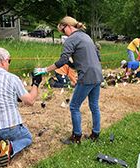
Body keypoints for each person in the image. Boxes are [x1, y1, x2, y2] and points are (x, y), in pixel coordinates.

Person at [34, 16, 103, 145]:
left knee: (74, 106)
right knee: (94, 106)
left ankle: (76, 137)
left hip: (86, 77)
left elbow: (63, 60)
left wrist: (45, 69)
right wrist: (74, 64)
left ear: (68, 26)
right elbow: (97, 57)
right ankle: (95, 134)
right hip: (98, 75)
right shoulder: (86, 36)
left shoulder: (71, 39)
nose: (63, 34)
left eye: (63, 30)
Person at [0, 47, 42, 168]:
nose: (9, 64)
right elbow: (30, 101)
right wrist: (35, 83)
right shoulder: (12, 78)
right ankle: (10, 148)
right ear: (3, 61)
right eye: (9, 61)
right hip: (10, 128)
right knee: (27, 137)